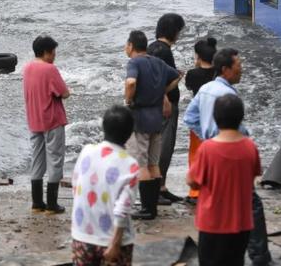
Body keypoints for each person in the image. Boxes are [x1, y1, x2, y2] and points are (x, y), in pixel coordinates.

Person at [184, 48, 272, 266]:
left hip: (212, 153)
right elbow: (239, 131)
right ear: (225, 70)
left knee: (214, 201)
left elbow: (190, 117)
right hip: (231, 155)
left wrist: (207, 138)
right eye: (238, 67)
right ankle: (260, 257)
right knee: (251, 203)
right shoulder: (229, 96)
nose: (241, 70)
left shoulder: (205, 89)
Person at [187, 94, 261, 266]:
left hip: (212, 222)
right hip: (241, 221)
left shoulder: (207, 149)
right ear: (241, 117)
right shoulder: (250, 147)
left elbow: (192, 181)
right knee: (235, 261)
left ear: (215, 117)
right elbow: (254, 175)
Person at [71, 105, 140, 266]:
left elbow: (76, 185)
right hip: (112, 240)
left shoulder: (86, 151)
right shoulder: (130, 165)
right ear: (130, 133)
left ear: (104, 127)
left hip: (82, 235)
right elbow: (122, 209)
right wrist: (115, 244)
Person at [123, 30, 180, 220]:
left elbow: (131, 82)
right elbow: (177, 75)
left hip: (140, 118)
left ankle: (147, 209)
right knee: (153, 164)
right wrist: (163, 91)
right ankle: (152, 206)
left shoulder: (134, 62)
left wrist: (128, 100)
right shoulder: (158, 63)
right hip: (156, 118)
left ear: (131, 46)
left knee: (141, 165)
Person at [23, 35, 71, 215]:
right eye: (53, 52)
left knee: (37, 160)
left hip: (34, 119)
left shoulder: (27, 68)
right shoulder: (50, 69)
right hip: (52, 119)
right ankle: (52, 204)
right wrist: (67, 91)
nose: (55, 55)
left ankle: (37, 203)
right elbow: (64, 93)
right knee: (55, 159)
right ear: (45, 52)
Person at [147, 13, 185, 205]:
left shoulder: (152, 47)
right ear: (173, 31)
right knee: (165, 146)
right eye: (179, 30)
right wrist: (167, 97)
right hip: (165, 105)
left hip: (153, 105)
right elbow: (159, 82)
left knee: (156, 146)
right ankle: (158, 188)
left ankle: (160, 186)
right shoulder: (163, 51)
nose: (179, 35)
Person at [183, 37, 217, 205]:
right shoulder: (219, 72)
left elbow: (189, 87)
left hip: (198, 118)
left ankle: (196, 191)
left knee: (196, 154)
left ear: (198, 56)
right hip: (217, 118)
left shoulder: (193, 74)